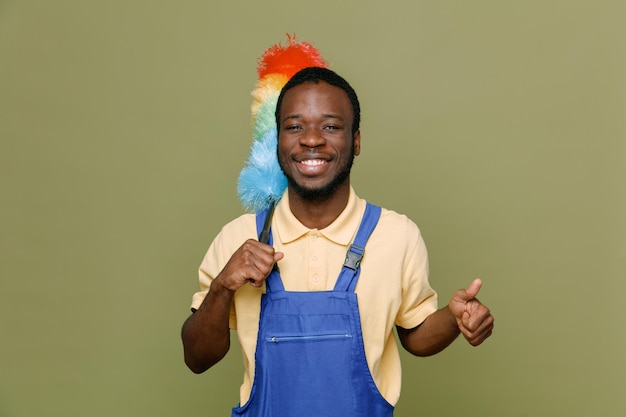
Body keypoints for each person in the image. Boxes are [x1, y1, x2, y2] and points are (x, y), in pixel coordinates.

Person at [181, 67, 494, 417]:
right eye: (294, 126)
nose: (311, 139)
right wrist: (223, 286)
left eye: (330, 126)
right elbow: (197, 358)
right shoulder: (238, 238)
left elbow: (415, 335)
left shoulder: (397, 235)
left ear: (356, 141)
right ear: (277, 141)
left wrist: (453, 318)